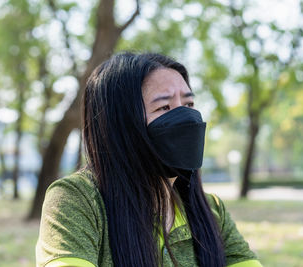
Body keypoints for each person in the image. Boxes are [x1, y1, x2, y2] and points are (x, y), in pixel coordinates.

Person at [35, 52, 263, 267]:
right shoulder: (76, 200)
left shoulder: (212, 211)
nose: (186, 118)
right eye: (164, 107)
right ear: (121, 126)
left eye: (189, 104)